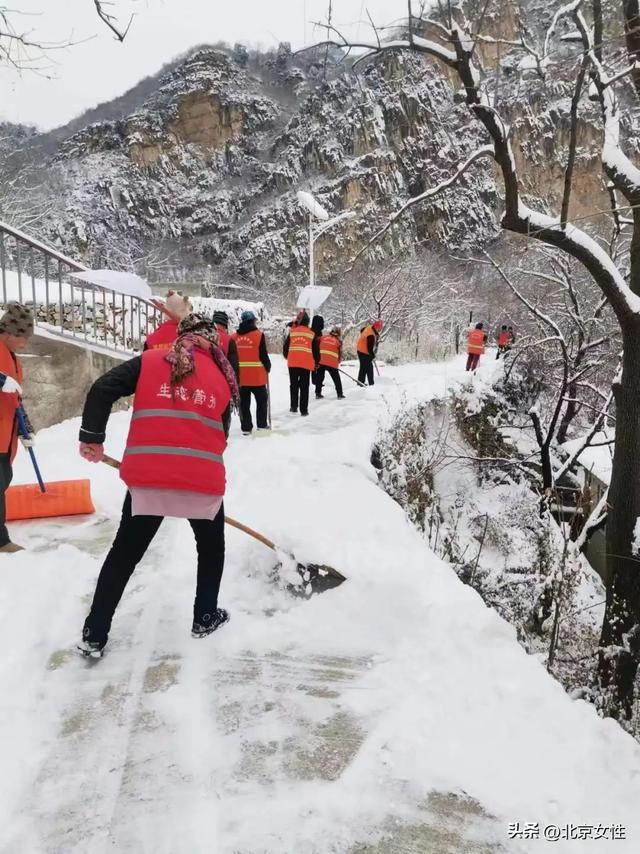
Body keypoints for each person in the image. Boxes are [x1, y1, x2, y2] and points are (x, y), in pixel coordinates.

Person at [77, 313, 240, 657]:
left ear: (181, 336)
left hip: (148, 481)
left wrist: (93, 438)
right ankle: (205, 616)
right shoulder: (224, 380)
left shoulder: (150, 361)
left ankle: (94, 632)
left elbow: (102, 388)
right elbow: (221, 435)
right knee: (211, 551)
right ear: (213, 341)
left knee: (124, 556)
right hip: (201, 482)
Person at [0, 302, 35, 554]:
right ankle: (1, 541)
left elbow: (16, 399)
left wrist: (26, 429)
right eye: (21, 336)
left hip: (6, 434)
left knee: (5, 479)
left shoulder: (15, 360)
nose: (24, 342)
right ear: (8, 332)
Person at [232, 310, 271, 435]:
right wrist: (268, 366)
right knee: (261, 401)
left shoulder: (233, 337)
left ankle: (246, 428)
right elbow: (263, 355)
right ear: (253, 321)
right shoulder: (259, 335)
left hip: (241, 378)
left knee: (243, 404)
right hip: (257, 377)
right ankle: (262, 425)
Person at [283, 311, 319, 416]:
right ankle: (304, 410)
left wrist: (287, 356)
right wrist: (316, 362)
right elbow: (316, 350)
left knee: (293, 385)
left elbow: (286, 347)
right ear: (308, 322)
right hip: (306, 364)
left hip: (293, 363)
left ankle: (293, 406)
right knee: (304, 387)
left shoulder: (292, 332)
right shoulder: (311, 334)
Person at [315, 327, 345, 399]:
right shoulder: (338, 341)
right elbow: (340, 353)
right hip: (332, 362)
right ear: (339, 334)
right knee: (336, 378)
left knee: (320, 377)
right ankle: (340, 394)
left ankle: (318, 393)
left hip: (322, 360)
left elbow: (316, 342)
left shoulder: (323, 337)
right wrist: (338, 361)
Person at [212, 310, 240, 379]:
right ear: (225, 325)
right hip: (223, 380)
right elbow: (234, 366)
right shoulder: (229, 340)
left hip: (205, 379)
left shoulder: (202, 337)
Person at [357, 319, 382, 386]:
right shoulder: (371, 335)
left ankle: (360, 383)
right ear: (376, 327)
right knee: (369, 368)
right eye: (379, 328)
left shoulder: (370, 327)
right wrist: (372, 356)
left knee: (363, 367)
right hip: (363, 351)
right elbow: (369, 348)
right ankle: (371, 384)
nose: (379, 330)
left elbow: (362, 330)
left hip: (360, 349)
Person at [310, 315, 325, 398]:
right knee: (320, 373)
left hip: (310, 355)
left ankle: (316, 384)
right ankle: (318, 391)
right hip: (317, 356)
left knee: (315, 372)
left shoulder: (310, 331)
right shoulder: (318, 334)